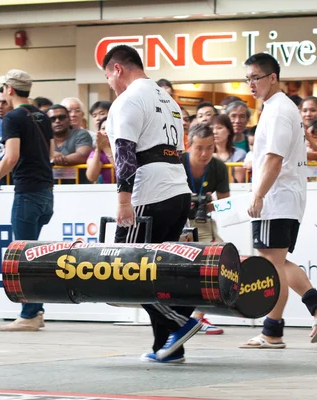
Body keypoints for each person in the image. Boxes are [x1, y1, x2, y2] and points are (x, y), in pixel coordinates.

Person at [102, 45, 197, 363]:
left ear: (117, 69)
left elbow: (126, 152)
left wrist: (124, 200)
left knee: (128, 271)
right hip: (178, 189)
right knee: (161, 272)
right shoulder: (167, 98)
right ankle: (168, 346)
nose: (110, 86)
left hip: (148, 194)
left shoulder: (127, 99)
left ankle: (180, 322)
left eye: (108, 78)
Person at [242, 53, 317, 349]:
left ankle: (272, 330)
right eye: (247, 79)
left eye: (255, 78)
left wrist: (258, 193)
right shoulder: (275, 108)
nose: (250, 85)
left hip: (276, 198)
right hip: (281, 198)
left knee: (271, 266)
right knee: (279, 262)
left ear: (272, 78)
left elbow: (274, 159)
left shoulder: (279, 111)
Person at [0, 69, 54, 332]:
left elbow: (12, 156)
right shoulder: (42, 116)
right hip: (46, 192)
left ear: (10, 90)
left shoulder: (13, 117)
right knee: (33, 254)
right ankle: (35, 311)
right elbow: (49, 153)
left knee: (23, 256)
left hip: (27, 192)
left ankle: (29, 314)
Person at [180, 123, 230, 335]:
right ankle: (179, 315)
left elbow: (226, 203)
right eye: (199, 147)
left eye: (210, 147)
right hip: (177, 219)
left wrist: (209, 205)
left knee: (217, 263)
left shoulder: (218, 167)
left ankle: (198, 317)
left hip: (203, 220)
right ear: (189, 145)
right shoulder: (177, 163)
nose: (204, 153)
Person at [211, 114, 247, 183]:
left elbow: (238, 183)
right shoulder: (205, 154)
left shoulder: (239, 154)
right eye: (212, 128)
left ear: (229, 131)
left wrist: (218, 163)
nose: (214, 132)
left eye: (219, 128)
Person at [86, 117, 114, 183]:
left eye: (110, 128)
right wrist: (98, 149)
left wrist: (106, 148)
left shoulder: (124, 148)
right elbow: (91, 177)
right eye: (103, 128)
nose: (106, 132)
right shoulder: (96, 153)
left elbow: (123, 170)